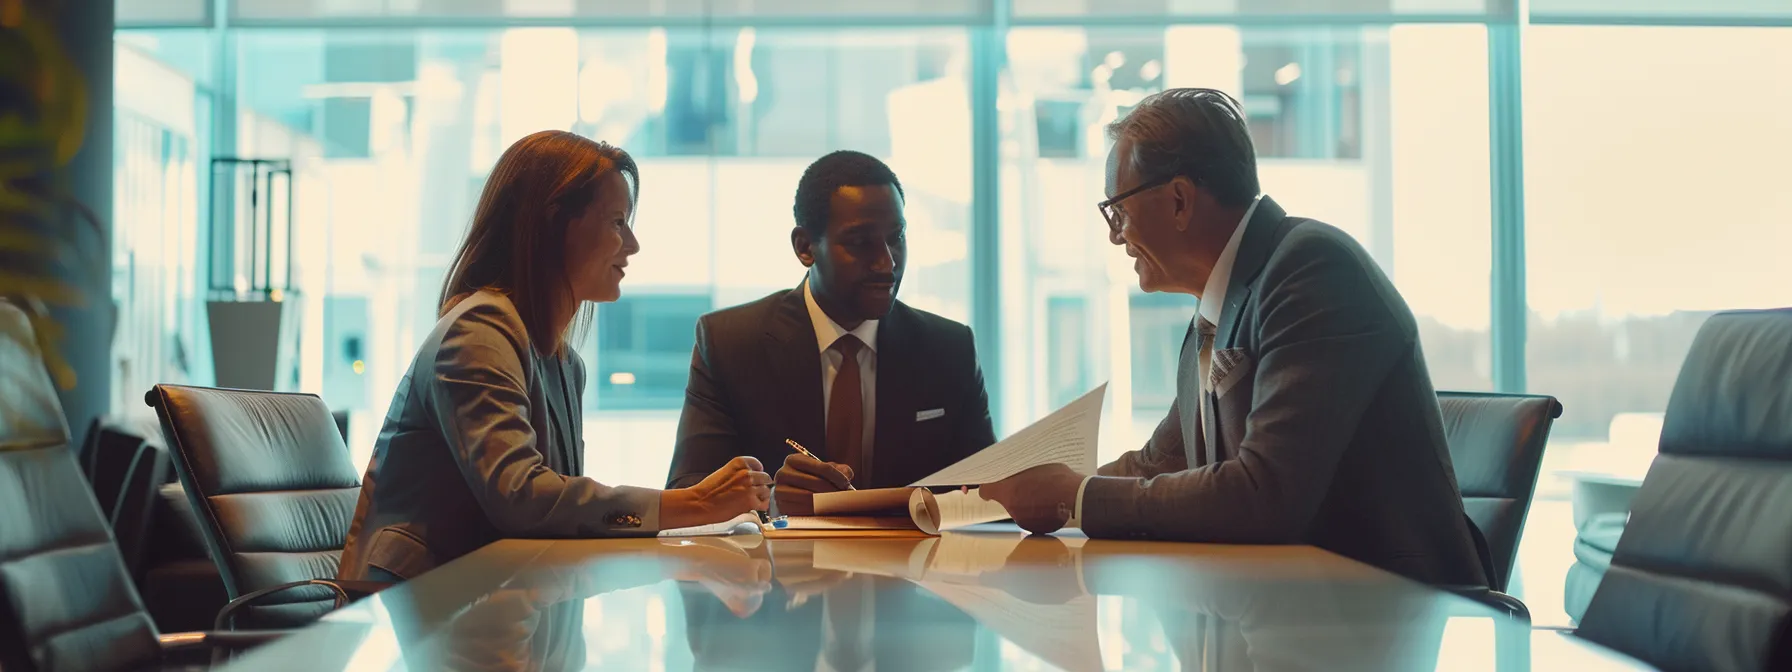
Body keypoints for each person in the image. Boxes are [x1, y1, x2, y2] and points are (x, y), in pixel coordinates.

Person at [980, 89, 1488, 587]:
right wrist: (1015, 497)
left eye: (1118, 210)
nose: (1116, 235)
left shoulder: (1312, 270)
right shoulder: (1216, 309)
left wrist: (1079, 498)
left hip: (1393, 619)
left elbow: (1264, 495)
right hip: (1292, 612)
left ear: (1179, 200)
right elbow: (1157, 463)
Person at [337, 131, 770, 583]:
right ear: (554, 224)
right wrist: (694, 504)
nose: (633, 245)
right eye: (618, 222)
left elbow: (556, 517)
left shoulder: (561, 360)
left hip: (488, 600)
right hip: (416, 615)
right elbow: (522, 497)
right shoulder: (478, 334)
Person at [665, 150, 996, 514]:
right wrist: (772, 501)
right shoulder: (730, 343)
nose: (887, 262)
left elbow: (984, 497)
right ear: (805, 247)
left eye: (896, 237)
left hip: (913, 569)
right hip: (776, 570)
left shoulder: (949, 350)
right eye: (860, 243)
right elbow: (686, 494)